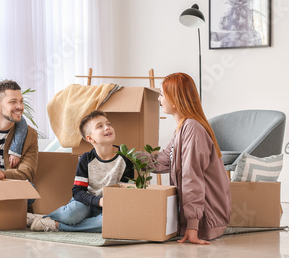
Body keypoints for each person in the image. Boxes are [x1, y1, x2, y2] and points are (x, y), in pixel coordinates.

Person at [151, 72, 231, 244]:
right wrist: (126, 157)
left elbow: (191, 177)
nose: (159, 99)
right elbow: (164, 160)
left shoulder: (192, 129)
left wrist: (193, 226)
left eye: (162, 95)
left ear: (174, 99)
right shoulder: (183, 128)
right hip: (197, 216)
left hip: (205, 220)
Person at [30, 110, 133, 232]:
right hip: (85, 203)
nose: (107, 127)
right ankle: (45, 217)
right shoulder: (86, 159)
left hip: (109, 206)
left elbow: (127, 190)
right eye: (100, 126)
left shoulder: (125, 158)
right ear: (90, 138)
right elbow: (78, 192)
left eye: (108, 124)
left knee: (107, 223)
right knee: (70, 215)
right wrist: (98, 201)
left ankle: (55, 225)